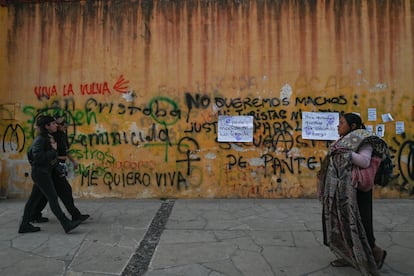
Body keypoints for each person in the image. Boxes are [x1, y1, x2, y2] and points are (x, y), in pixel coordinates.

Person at [317, 113, 388, 275]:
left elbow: (364, 161)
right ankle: (347, 255)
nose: (338, 126)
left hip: (357, 191)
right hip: (340, 191)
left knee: (361, 224)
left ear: (353, 126)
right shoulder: (341, 141)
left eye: (341, 123)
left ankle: (376, 252)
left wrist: (345, 153)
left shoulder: (364, 140)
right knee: (341, 224)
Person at [18, 115, 82, 234]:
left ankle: (24, 225)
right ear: (46, 126)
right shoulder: (41, 139)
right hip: (41, 173)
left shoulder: (47, 137)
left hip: (42, 173)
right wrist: (53, 150)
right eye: (53, 124)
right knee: (52, 198)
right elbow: (36, 157)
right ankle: (66, 223)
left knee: (32, 201)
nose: (56, 125)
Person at [30, 116, 89, 223]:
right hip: (52, 167)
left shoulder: (61, 135)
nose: (63, 126)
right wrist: (55, 160)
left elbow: (65, 151)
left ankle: (33, 215)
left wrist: (73, 161)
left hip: (56, 166)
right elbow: (42, 153)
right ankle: (73, 216)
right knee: (63, 191)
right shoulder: (49, 137)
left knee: (43, 194)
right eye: (60, 124)